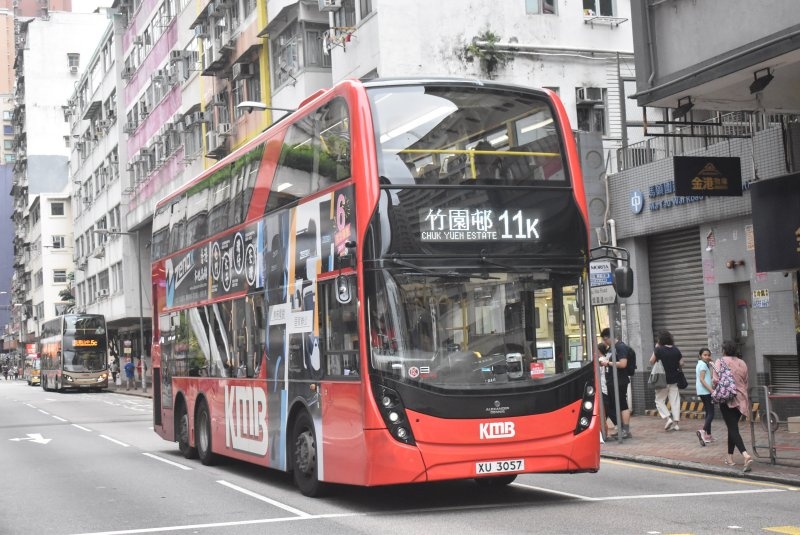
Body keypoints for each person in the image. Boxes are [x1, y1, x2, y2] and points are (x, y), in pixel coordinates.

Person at [714, 341, 753, 472]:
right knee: (732, 427)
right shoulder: (742, 363)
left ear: (724, 350)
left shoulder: (720, 362)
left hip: (727, 399)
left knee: (732, 428)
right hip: (741, 398)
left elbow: (715, 380)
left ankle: (745, 455)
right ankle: (729, 457)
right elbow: (746, 381)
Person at [600, 328, 632, 439]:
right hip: (612, 381)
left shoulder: (620, 347)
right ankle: (621, 429)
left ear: (609, 337)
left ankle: (625, 430)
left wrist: (607, 363)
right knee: (615, 405)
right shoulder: (611, 348)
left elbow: (623, 364)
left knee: (622, 404)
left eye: (605, 340)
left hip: (619, 380)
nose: (605, 342)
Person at [649, 330, 684, 431]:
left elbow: (651, 361)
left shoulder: (658, 349)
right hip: (674, 380)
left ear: (660, 340)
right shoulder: (676, 350)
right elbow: (682, 363)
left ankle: (668, 418)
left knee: (659, 400)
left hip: (662, 380)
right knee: (675, 401)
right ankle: (676, 424)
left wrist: (656, 349)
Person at [695, 347, 715, 445]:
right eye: (705, 355)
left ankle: (708, 435)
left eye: (708, 355)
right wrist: (711, 390)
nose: (707, 357)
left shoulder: (701, 364)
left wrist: (711, 364)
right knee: (711, 413)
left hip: (702, 391)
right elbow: (702, 379)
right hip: (706, 391)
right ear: (700, 356)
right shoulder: (703, 365)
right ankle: (702, 431)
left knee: (708, 412)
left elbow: (710, 376)